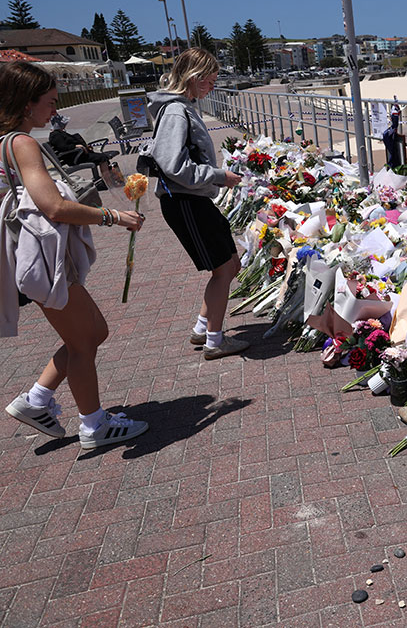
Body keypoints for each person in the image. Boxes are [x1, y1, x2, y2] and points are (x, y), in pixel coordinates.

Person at [0, 61, 148, 448]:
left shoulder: (3, 142)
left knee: (93, 331)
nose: (55, 111)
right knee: (85, 342)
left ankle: (37, 399)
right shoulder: (21, 142)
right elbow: (54, 207)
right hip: (42, 259)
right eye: (49, 102)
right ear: (25, 104)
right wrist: (113, 216)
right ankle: (94, 425)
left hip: (24, 256)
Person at [147, 48, 247, 360]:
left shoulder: (182, 107)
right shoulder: (177, 112)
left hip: (193, 198)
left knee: (230, 263)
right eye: (210, 82)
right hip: (185, 200)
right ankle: (215, 341)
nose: (213, 89)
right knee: (222, 270)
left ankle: (203, 327)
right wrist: (219, 175)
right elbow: (173, 164)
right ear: (194, 78)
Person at [48, 114, 115, 186]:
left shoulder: (59, 133)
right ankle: (109, 183)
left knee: (102, 157)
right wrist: (77, 146)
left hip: (77, 155)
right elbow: (62, 147)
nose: (65, 125)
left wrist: (83, 146)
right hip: (74, 158)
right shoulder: (56, 135)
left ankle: (109, 180)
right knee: (102, 158)